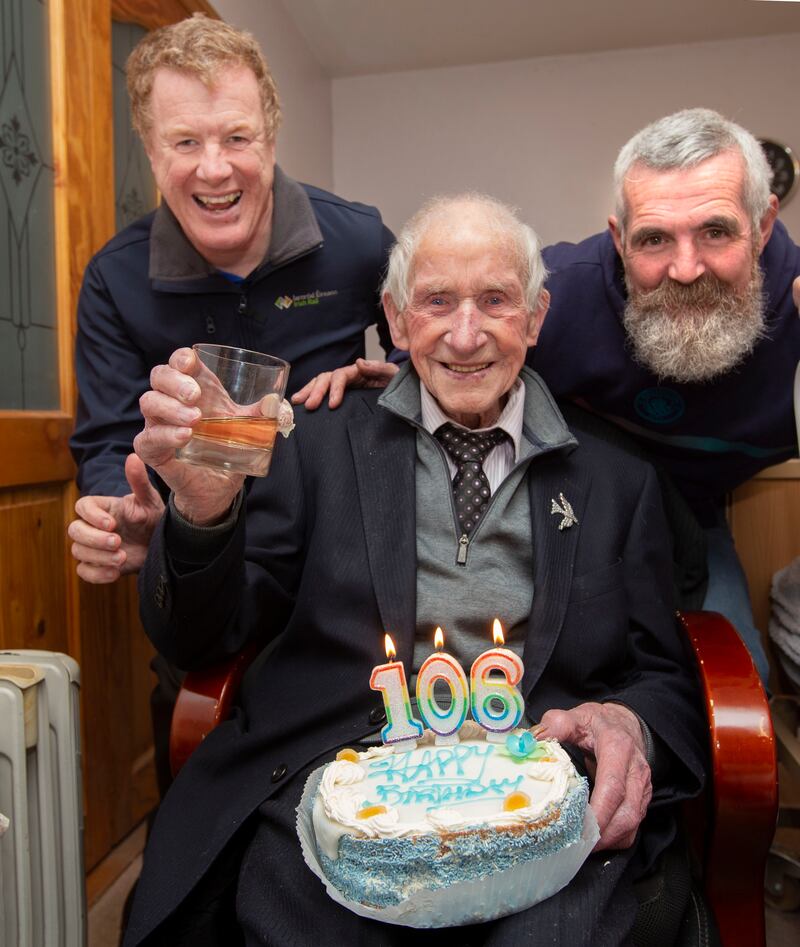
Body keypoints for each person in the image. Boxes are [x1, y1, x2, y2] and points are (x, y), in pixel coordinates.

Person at [123, 195, 705, 946]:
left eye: (496, 300)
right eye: (436, 301)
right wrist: (203, 514)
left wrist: (629, 720)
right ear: (396, 321)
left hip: (539, 797)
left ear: (534, 318)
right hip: (338, 786)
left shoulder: (619, 479)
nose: (466, 335)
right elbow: (202, 640)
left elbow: (666, 675)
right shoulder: (315, 445)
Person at [298, 108, 800, 686]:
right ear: (618, 238)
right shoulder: (558, 294)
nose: (685, 269)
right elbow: (456, 340)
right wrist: (386, 379)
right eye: (655, 239)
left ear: (763, 226)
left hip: (696, 524)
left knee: (737, 688)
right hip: (579, 515)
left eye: (716, 231)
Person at [67, 14, 396, 586]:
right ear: (150, 149)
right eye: (185, 142)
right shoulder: (112, 279)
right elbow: (105, 440)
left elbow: (430, 363)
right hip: (195, 563)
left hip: (347, 561)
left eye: (237, 138)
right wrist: (119, 508)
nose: (214, 168)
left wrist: (390, 382)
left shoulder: (361, 242)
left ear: (270, 137)